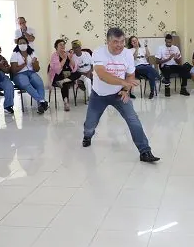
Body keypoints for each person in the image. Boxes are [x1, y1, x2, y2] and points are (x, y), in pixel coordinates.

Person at [82, 28, 160, 163]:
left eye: (122, 41)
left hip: (118, 94)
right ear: (108, 41)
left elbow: (130, 75)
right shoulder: (99, 52)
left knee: (133, 120)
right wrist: (124, 82)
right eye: (115, 42)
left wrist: (125, 89)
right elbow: (102, 75)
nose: (119, 45)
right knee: (90, 124)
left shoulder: (127, 54)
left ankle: (145, 151)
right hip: (98, 95)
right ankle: (87, 135)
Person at [10, 37, 48, 114]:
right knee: (26, 83)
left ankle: (40, 105)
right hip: (19, 74)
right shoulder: (15, 54)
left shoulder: (32, 53)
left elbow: (37, 69)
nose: (22, 44)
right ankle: (41, 101)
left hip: (31, 72)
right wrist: (24, 64)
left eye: (24, 43)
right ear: (17, 45)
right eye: (20, 43)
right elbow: (14, 70)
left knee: (39, 83)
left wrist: (34, 63)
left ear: (27, 44)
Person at [49, 39, 80, 111]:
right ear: (56, 47)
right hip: (57, 76)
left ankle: (66, 101)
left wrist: (70, 58)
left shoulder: (67, 54)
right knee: (64, 83)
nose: (63, 46)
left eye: (63, 44)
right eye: (60, 44)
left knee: (77, 73)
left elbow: (74, 69)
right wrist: (65, 58)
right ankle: (66, 102)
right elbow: (57, 69)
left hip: (68, 76)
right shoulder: (54, 55)